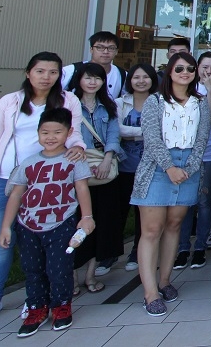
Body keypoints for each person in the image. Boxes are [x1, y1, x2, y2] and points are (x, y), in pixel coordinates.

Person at [0, 52, 85, 329]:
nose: (46, 77)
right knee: (1, 240)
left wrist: (78, 147)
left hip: (46, 182)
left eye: (53, 72)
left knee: (40, 243)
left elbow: (74, 132)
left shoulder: (68, 100)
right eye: (40, 71)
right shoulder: (10, 102)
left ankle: (36, 299)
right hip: (3, 177)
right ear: (28, 73)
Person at [0, 108, 95, 336]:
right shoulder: (29, 162)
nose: (51, 137)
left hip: (61, 224)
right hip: (28, 226)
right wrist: (6, 226)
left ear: (69, 133)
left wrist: (87, 217)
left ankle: (61, 307)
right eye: (45, 132)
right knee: (32, 269)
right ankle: (36, 308)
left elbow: (82, 188)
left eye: (57, 132)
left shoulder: (74, 160)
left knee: (58, 269)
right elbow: (16, 194)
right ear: (38, 133)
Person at [130, 51, 211, 317]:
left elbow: (202, 138)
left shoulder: (200, 103)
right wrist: (169, 167)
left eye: (190, 68)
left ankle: (165, 280)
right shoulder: (155, 101)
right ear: (169, 72)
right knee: (151, 229)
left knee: (174, 225)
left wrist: (189, 167)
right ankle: (150, 292)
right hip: (157, 167)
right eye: (179, 69)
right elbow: (151, 138)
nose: (185, 73)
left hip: (188, 166)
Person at [70, 62, 123, 294]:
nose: (93, 82)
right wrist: (82, 166)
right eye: (88, 77)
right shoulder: (69, 104)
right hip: (76, 169)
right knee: (74, 221)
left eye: (98, 78)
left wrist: (107, 160)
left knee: (100, 222)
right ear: (79, 80)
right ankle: (72, 277)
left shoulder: (108, 106)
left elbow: (113, 135)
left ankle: (90, 276)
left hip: (104, 168)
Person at [176, 51, 211, 270]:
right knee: (184, 201)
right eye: (205, 67)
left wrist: (208, 89)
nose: (209, 71)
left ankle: (200, 247)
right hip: (183, 152)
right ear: (197, 67)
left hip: (208, 153)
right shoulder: (184, 86)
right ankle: (182, 248)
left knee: (204, 200)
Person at [116, 63, 159, 272]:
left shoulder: (160, 101)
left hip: (151, 165)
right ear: (130, 80)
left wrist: (132, 133)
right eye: (136, 77)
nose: (141, 81)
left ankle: (136, 252)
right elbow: (117, 130)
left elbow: (160, 131)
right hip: (124, 164)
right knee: (119, 210)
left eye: (145, 77)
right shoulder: (119, 102)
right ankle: (111, 254)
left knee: (144, 213)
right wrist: (146, 131)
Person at [61, 31, 126, 101]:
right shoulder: (71, 71)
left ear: (116, 51)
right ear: (91, 49)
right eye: (100, 47)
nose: (105, 52)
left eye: (111, 48)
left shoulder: (123, 75)